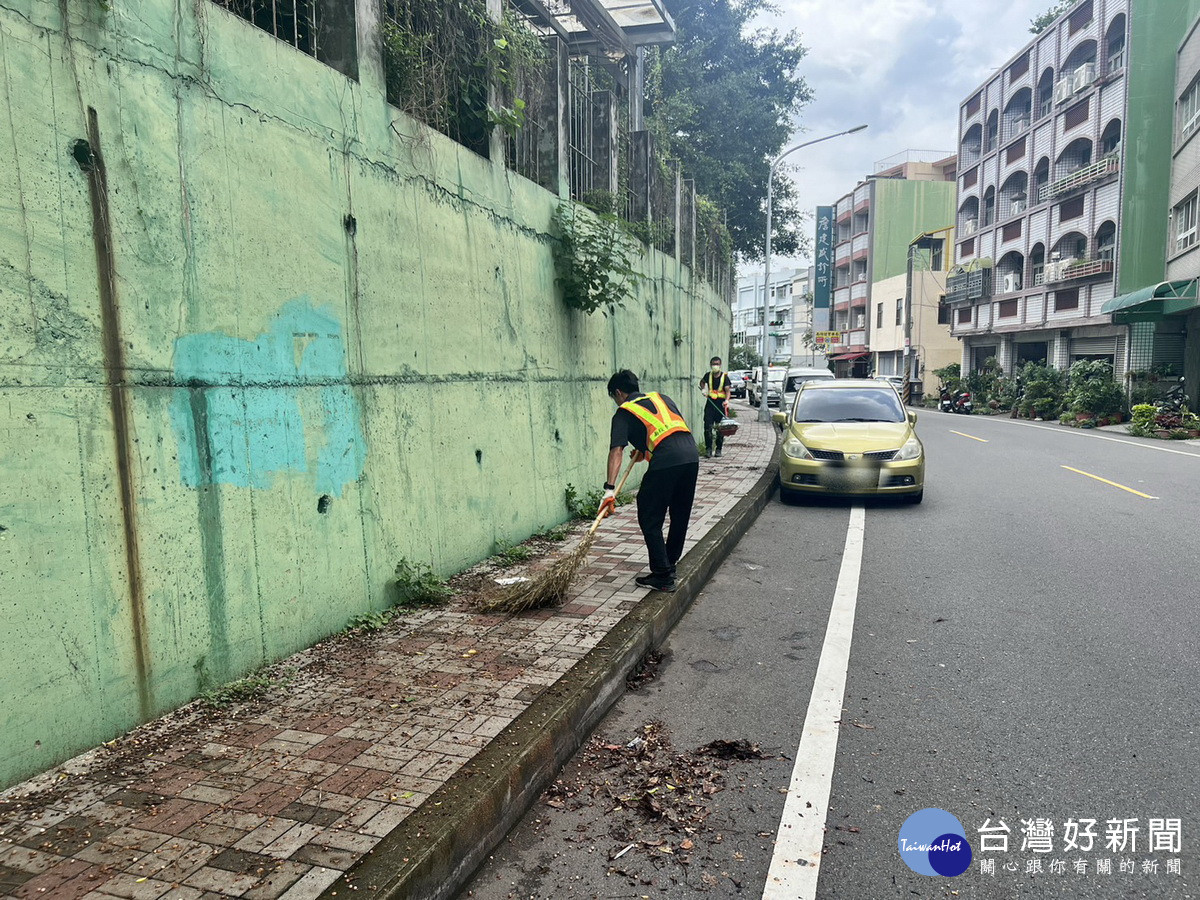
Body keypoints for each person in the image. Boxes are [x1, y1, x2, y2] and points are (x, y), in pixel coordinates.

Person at [599, 370, 699, 593]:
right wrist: (644, 451)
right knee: (679, 515)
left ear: (618, 392)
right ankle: (669, 565)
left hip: (667, 460)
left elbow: (616, 450)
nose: (616, 401)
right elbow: (665, 432)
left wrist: (609, 489)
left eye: (614, 397)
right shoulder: (662, 398)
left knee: (648, 514)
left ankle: (662, 575)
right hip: (691, 456)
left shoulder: (623, 412)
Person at [698, 356, 730, 458]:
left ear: (720, 365)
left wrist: (727, 400)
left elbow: (728, 391)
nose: (715, 366)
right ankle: (708, 449)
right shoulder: (708, 375)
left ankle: (718, 449)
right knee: (708, 426)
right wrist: (704, 389)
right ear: (711, 365)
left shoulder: (725, 377)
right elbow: (702, 382)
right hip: (710, 404)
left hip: (720, 405)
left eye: (717, 364)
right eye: (713, 364)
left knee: (720, 428)